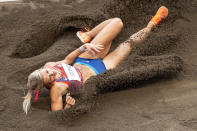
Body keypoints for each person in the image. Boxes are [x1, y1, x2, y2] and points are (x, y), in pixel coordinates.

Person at [23, 6, 168, 114]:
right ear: (46, 85)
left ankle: (89, 34)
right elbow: (58, 115)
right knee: (128, 44)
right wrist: (68, 106)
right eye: (50, 79)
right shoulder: (56, 91)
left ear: (43, 69)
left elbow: (67, 59)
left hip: (86, 58)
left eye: (48, 72)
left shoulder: (50, 65)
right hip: (102, 69)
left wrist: (83, 48)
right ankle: (153, 23)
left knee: (117, 22)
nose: (53, 74)